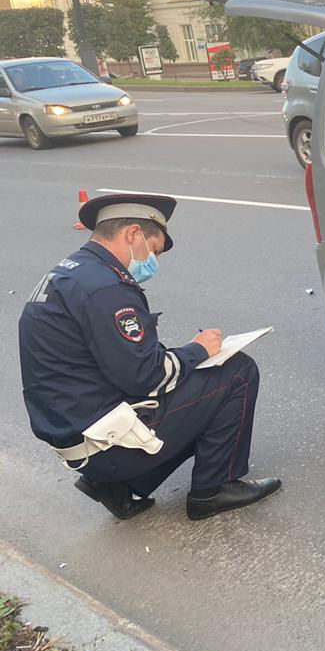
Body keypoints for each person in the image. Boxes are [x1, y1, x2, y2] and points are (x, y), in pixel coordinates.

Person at [18, 194, 280, 521]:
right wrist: (199, 350)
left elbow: (113, 362)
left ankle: (116, 487)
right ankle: (214, 489)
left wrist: (183, 359)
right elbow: (147, 377)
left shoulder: (69, 273)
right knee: (237, 371)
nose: (153, 260)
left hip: (77, 435)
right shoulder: (106, 288)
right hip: (105, 443)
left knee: (188, 380)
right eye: (153, 250)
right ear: (132, 234)